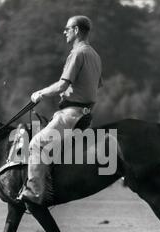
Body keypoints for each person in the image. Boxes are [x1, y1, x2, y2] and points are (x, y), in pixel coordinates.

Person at [18, 15, 102, 206]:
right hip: (86, 115)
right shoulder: (95, 55)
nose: (64, 32)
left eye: (67, 28)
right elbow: (96, 86)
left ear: (77, 30)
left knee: (37, 143)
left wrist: (40, 93)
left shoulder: (77, 53)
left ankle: (34, 193)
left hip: (71, 114)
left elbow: (62, 86)